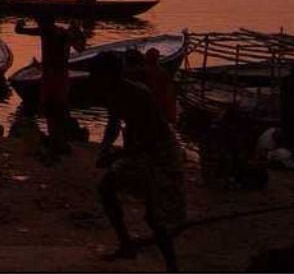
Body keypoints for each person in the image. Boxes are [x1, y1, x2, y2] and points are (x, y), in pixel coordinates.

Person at [91, 53, 184, 272]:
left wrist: (116, 156)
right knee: (106, 188)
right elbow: (113, 125)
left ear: (110, 75)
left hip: (160, 153)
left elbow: (150, 139)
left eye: (98, 75)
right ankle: (126, 244)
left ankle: (172, 266)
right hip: (138, 149)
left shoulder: (140, 95)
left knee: (155, 214)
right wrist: (104, 147)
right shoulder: (112, 92)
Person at [15, 14, 86, 155]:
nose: (39, 25)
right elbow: (80, 47)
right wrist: (20, 24)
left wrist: (77, 31)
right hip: (51, 75)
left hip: (57, 75)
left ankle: (59, 140)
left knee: (57, 108)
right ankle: (56, 140)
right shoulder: (50, 32)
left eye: (40, 22)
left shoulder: (57, 33)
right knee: (52, 108)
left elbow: (80, 48)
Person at [141, 48, 178, 124]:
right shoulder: (163, 73)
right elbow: (170, 94)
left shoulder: (142, 72)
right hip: (156, 106)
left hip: (153, 106)